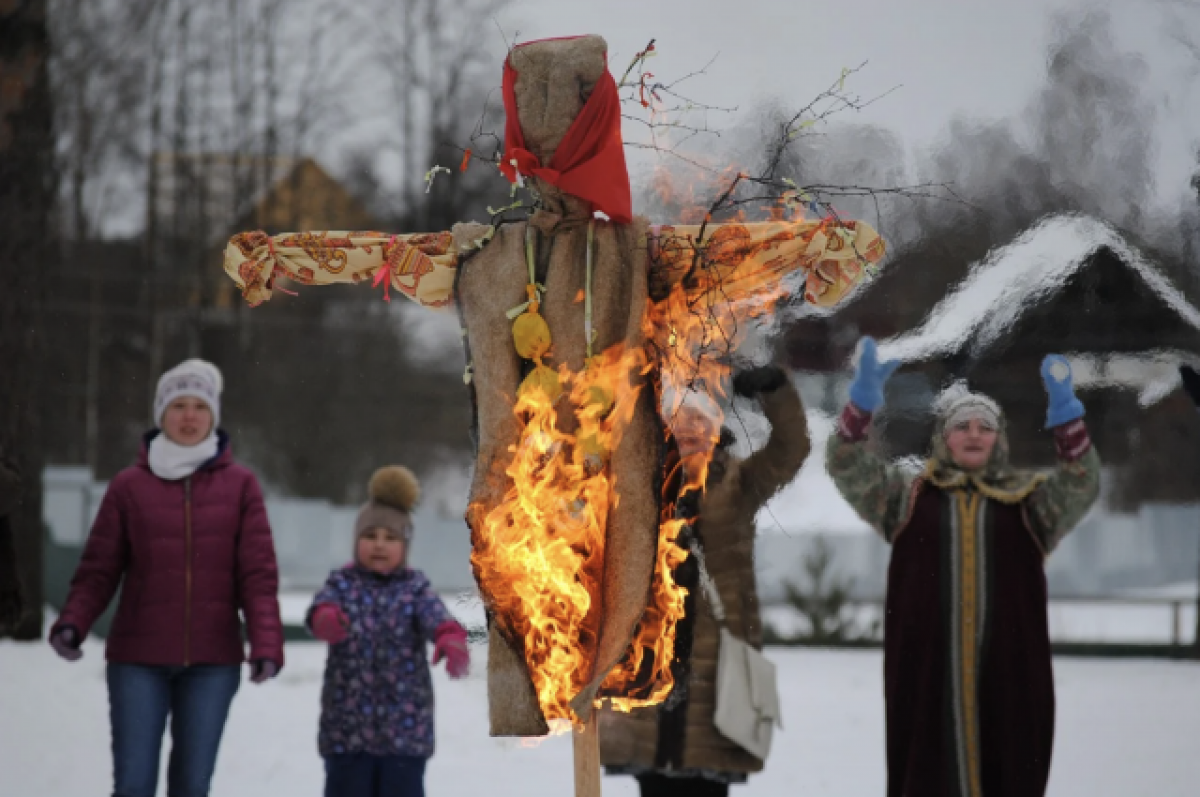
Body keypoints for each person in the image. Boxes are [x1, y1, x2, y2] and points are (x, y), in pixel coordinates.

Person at [827, 338, 1100, 797]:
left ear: (1000, 439)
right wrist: (860, 406)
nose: (974, 434)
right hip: (929, 680)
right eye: (962, 426)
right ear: (943, 437)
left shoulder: (1030, 503)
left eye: (985, 427)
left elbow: (1082, 481)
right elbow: (845, 463)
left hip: (1009, 680)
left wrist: (1067, 415)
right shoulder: (908, 496)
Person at [48, 359, 284, 797]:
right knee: (134, 785)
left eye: (199, 405)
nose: (189, 416)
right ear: (161, 415)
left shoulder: (241, 486)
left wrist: (266, 642)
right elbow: (98, 570)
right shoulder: (128, 487)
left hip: (214, 664)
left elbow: (258, 576)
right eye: (178, 406)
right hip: (138, 661)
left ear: (213, 415)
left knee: (191, 787)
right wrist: (73, 622)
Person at [600, 365, 811, 797]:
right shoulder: (639, 485)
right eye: (683, 424)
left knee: (706, 784)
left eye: (702, 423)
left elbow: (791, 449)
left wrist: (776, 392)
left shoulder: (739, 484)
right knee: (653, 778)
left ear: (718, 432)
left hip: (718, 662)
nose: (692, 432)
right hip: (651, 655)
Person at [308, 465, 470, 797]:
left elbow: (436, 615)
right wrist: (324, 617)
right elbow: (320, 609)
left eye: (390, 538)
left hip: (405, 734)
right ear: (356, 541)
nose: (379, 545)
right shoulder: (341, 582)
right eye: (370, 536)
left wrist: (448, 636)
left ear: (405, 546)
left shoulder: (414, 586)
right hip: (347, 731)